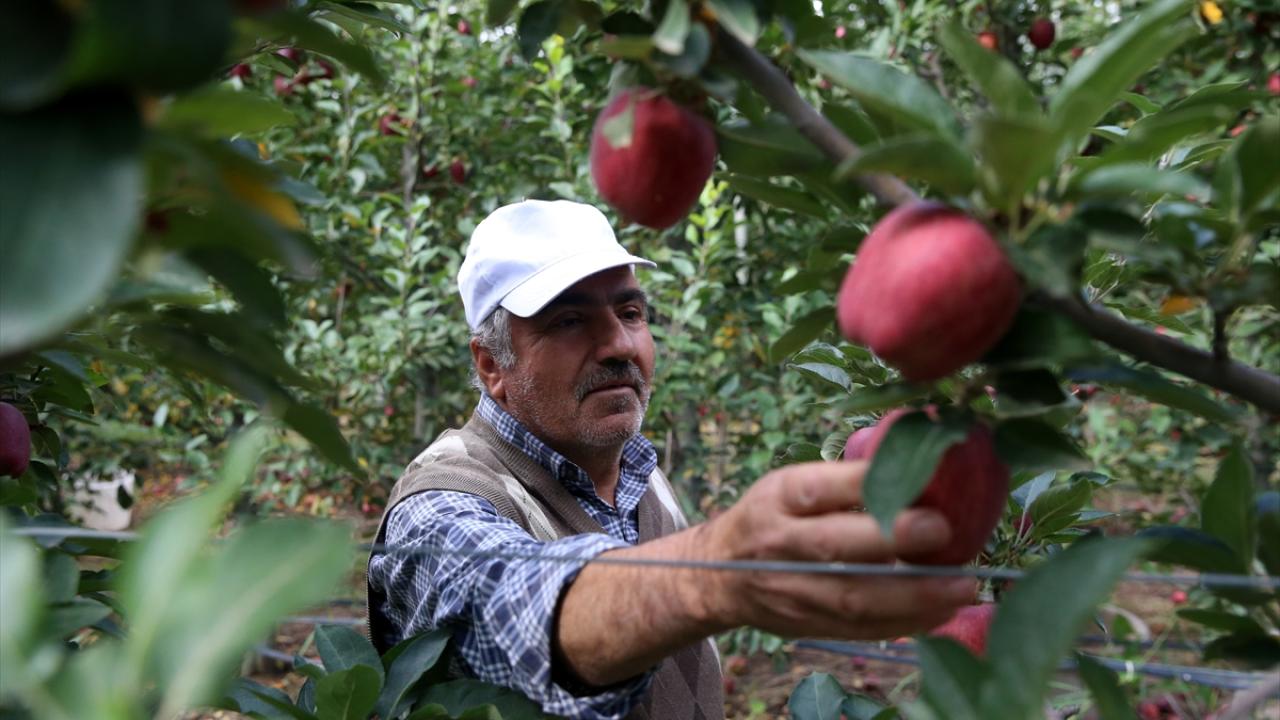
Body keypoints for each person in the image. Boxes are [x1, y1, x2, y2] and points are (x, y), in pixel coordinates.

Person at [366, 199, 976, 720]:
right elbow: (513, 602)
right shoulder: (439, 504)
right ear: (492, 365)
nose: (619, 344)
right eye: (570, 321)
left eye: (630, 313)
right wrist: (719, 571)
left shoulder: (639, 473)